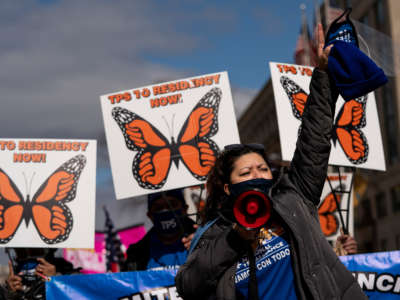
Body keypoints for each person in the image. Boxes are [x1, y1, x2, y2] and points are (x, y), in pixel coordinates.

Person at [175, 24, 367, 300]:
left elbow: (313, 142)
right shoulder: (214, 234)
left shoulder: (293, 200)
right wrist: (235, 239)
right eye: (246, 172)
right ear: (228, 187)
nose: (257, 175)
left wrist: (323, 76)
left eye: (262, 169)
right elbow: (189, 286)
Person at [122, 188, 196, 271]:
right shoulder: (136, 254)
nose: (165, 211)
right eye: (159, 207)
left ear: (184, 209)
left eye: (172, 205)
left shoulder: (205, 242)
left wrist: (206, 248)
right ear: (150, 215)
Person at [5, 248, 77, 299]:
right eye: (21, 252)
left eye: (34, 251)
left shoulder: (72, 279)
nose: (28, 257)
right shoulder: (11, 284)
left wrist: (54, 282)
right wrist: (11, 294)